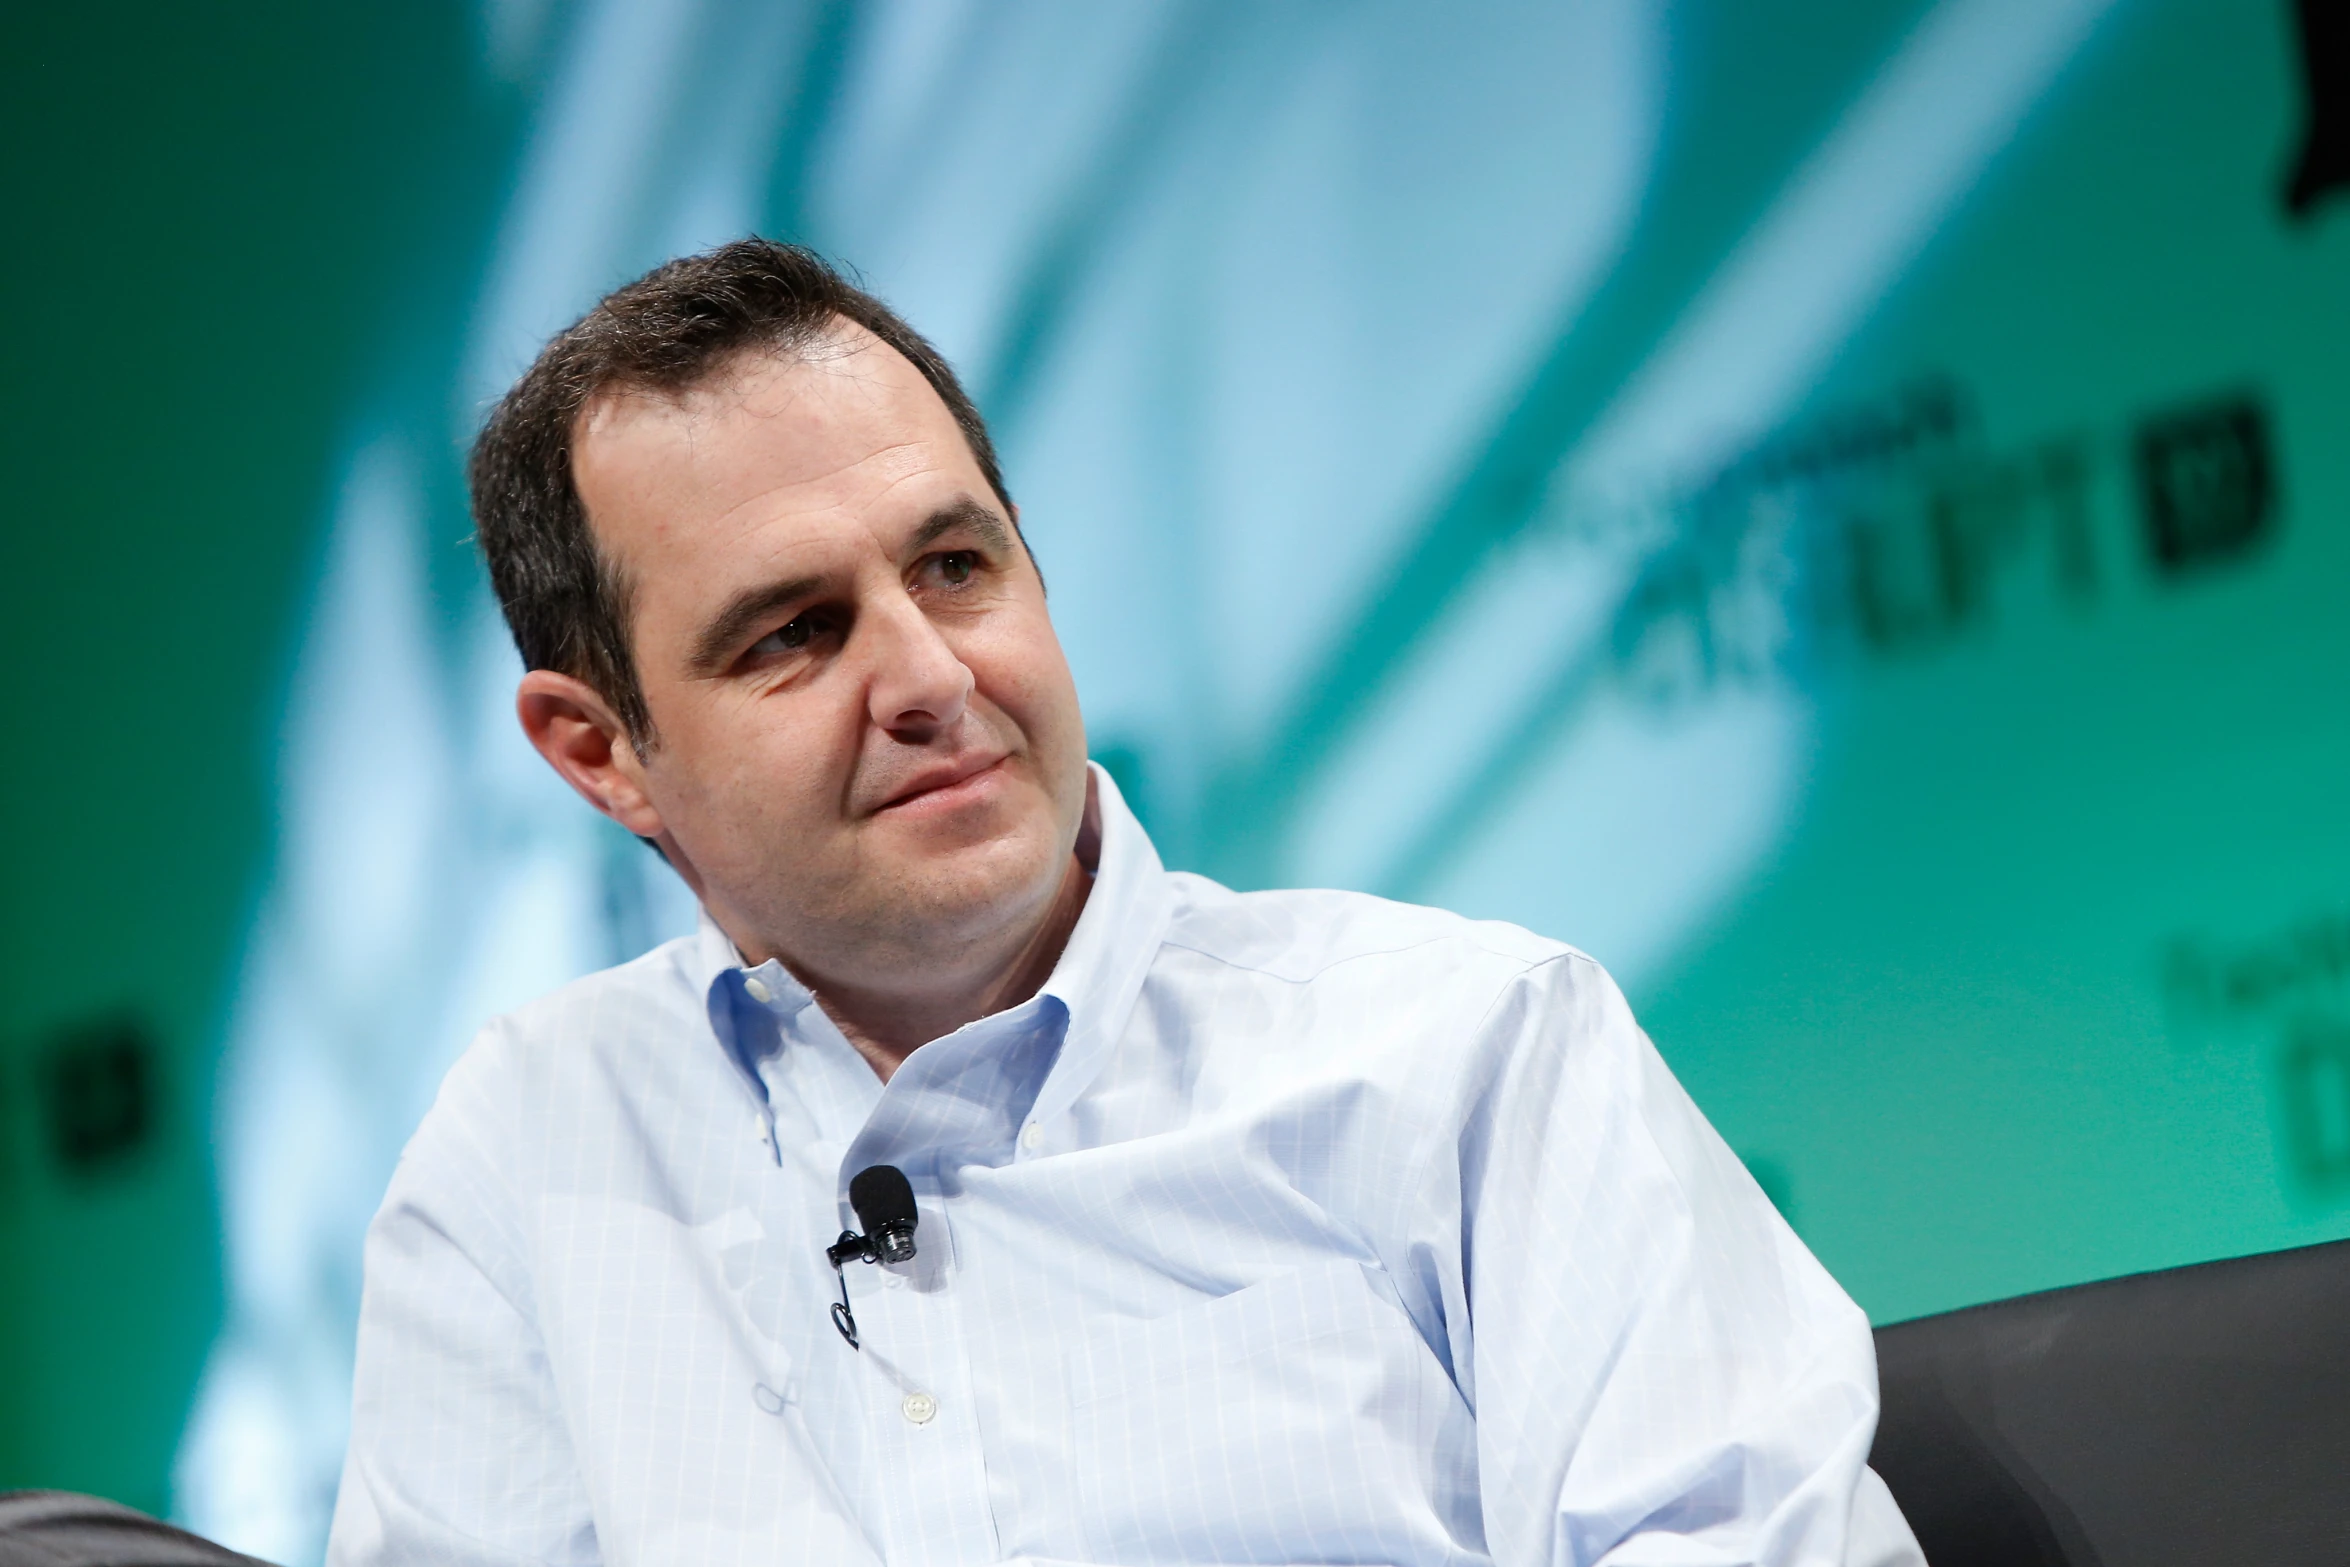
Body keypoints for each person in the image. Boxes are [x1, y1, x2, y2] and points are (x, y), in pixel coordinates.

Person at [324, 239, 1925, 1567]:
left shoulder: (1473, 1051)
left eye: (955, 566)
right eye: (794, 632)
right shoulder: (528, 1155)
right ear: (603, 752)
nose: (932, 678)